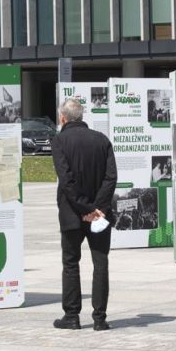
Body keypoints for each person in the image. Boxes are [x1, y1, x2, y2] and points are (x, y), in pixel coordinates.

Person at [52, 97, 118, 331]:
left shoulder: (59, 140)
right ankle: (100, 319)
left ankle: (72, 316)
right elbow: (111, 178)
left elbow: (66, 181)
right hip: (99, 214)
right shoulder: (102, 140)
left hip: (72, 212)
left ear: (62, 118)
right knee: (100, 263)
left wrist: (85, 208)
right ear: (81, 116)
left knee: (71, 263)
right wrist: (97, 208)